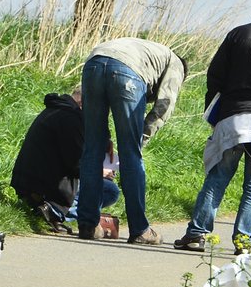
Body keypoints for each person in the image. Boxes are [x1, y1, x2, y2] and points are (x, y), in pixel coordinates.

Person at [174, 0, 251, 254]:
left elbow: (215, 76)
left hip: (234, 118)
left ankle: (197, 234)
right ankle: (244, 241)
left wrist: (213, 113)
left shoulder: (239, 34)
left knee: (218, 176)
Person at [76, 38, 187, 244]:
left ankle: (87, 224)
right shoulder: (176, 64)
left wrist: (105, 138)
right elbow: (164, 105)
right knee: (130, 156)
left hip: (93, 63)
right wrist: (140, 138)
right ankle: (140, 230)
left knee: (92, 149)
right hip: (127, 72)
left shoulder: (149, 51)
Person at [10, 86, 120, 231]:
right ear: (85, 105)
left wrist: (105, 141)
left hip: (31, 180)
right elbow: (76, 164)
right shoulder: (70, 119)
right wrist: (101, 171)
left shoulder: (59, 109)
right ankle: (53, 210)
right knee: (110, 190)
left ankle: (58, 210)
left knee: (103, 186)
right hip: (42, 185)